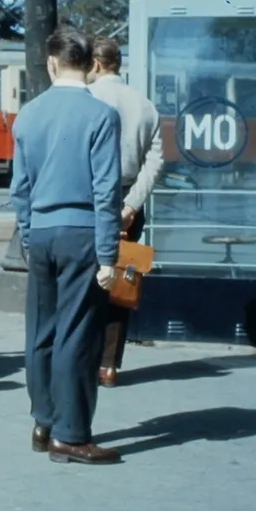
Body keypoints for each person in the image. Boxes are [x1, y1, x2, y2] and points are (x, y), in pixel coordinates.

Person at [10, 26, 123, 465]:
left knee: (41, 331)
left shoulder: (28, 115)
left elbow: (20, 188)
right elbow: (106, 190)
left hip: (40, 233)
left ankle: (43, 421)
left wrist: (29, 230)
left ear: (51, 61)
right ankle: (71, 434)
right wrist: (108, 254)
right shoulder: (100, 116)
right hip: (82, 235)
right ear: (90, 64)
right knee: (77, 333)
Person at [87, 36, 164, 388]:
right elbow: (156, 161)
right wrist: (132, 205)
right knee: (120, 284)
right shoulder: (144, 104)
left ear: (97, 64)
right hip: (128, 200)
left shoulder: (88, 99)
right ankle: (110, 364)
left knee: (85, 282)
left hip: (89, 200)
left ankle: (84, 358)